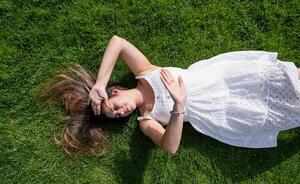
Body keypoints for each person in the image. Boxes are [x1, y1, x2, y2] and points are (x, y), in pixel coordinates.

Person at [44, 35, 300, 156]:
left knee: (290, 78)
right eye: (116, 115)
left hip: (223, 78)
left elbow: (118, 42)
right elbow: (170, 146)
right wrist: (179, 105)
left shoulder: (144, 71)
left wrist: (99, 83)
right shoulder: (146, 119)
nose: (119, 111)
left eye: (113, 105)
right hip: (223, 111)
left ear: (116, 90)